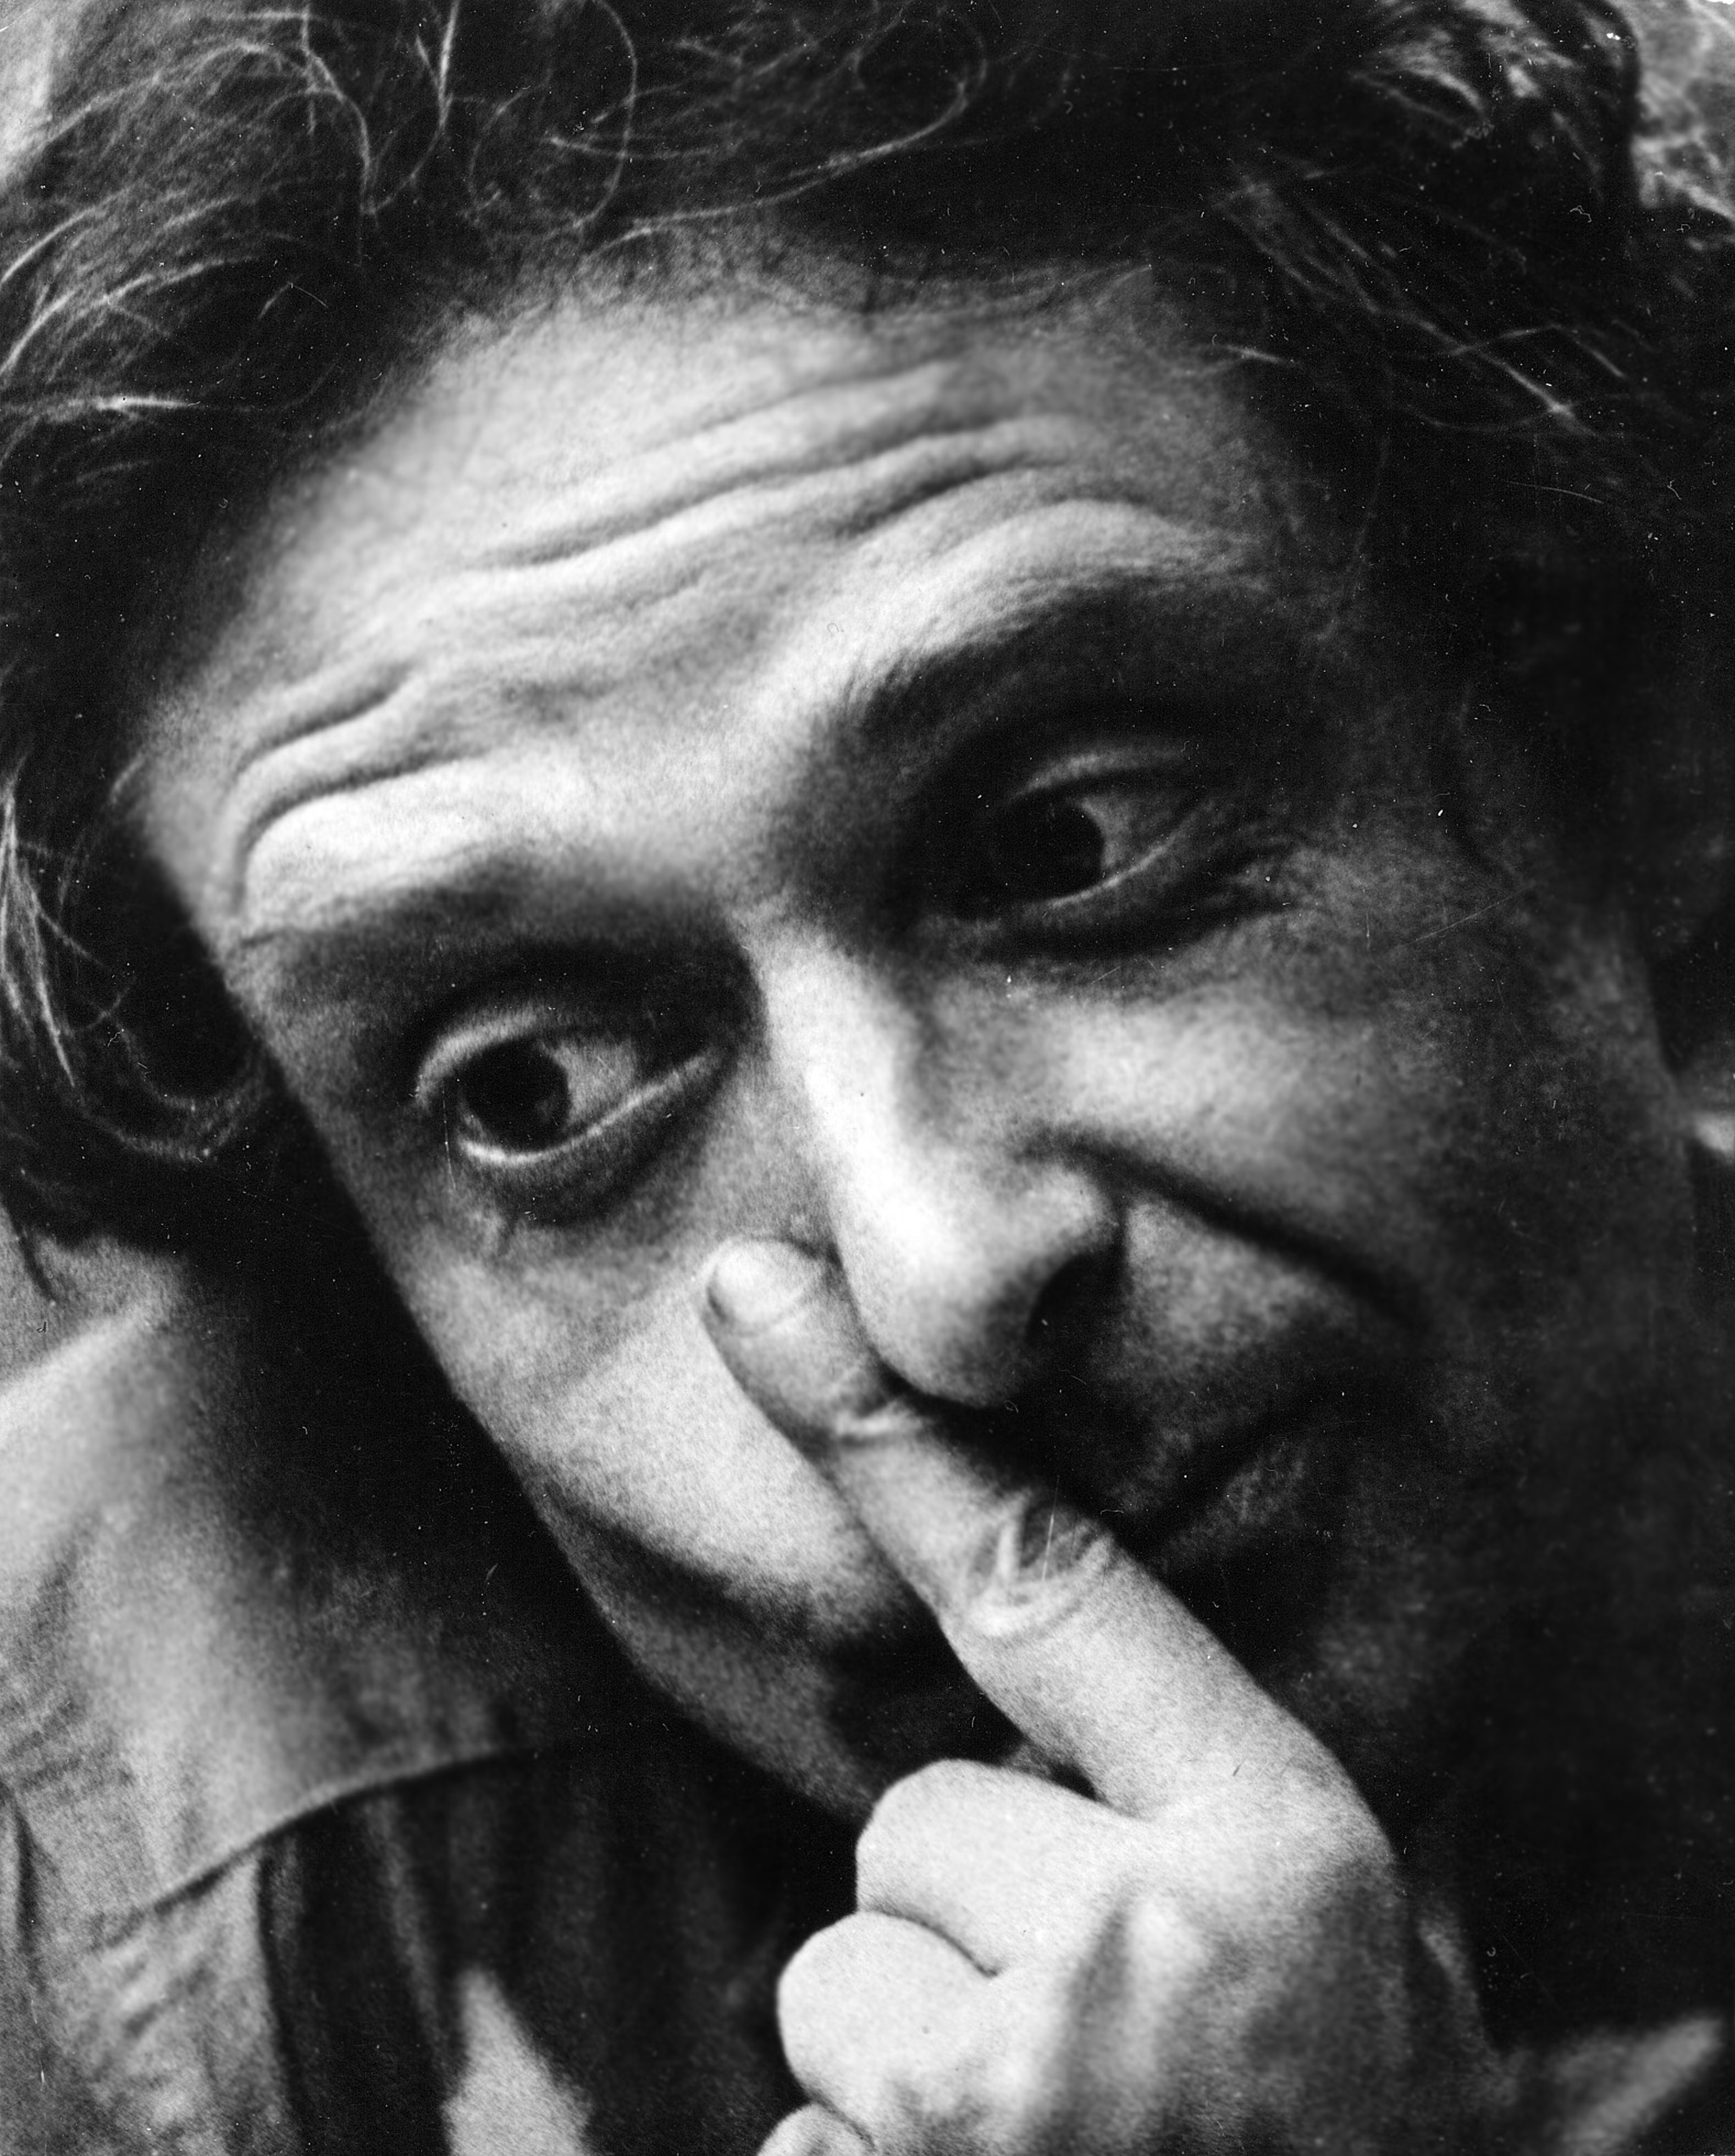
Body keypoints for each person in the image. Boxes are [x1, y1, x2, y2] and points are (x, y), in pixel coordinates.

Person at [0, 0, 1731, 2148]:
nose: (938, 1282)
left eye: (1067, 844)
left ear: (1640, 746)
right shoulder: (93, 1907)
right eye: (536, 1086)